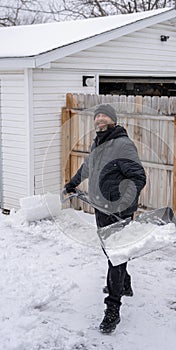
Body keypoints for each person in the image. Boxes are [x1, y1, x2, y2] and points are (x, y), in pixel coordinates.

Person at [64, 104, 146, 333]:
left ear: (113, 120)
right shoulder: (98, 143)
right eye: (97, 116)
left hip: (118, 211)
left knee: (115, 257)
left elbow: (138, 177)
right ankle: (125, 283)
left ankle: (113, 309)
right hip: (101, 208)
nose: (99, 119)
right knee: (111, 253)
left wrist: (124, 203)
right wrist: (73, 182)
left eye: (104, 116)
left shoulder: (123, 144)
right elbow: (88, 167)